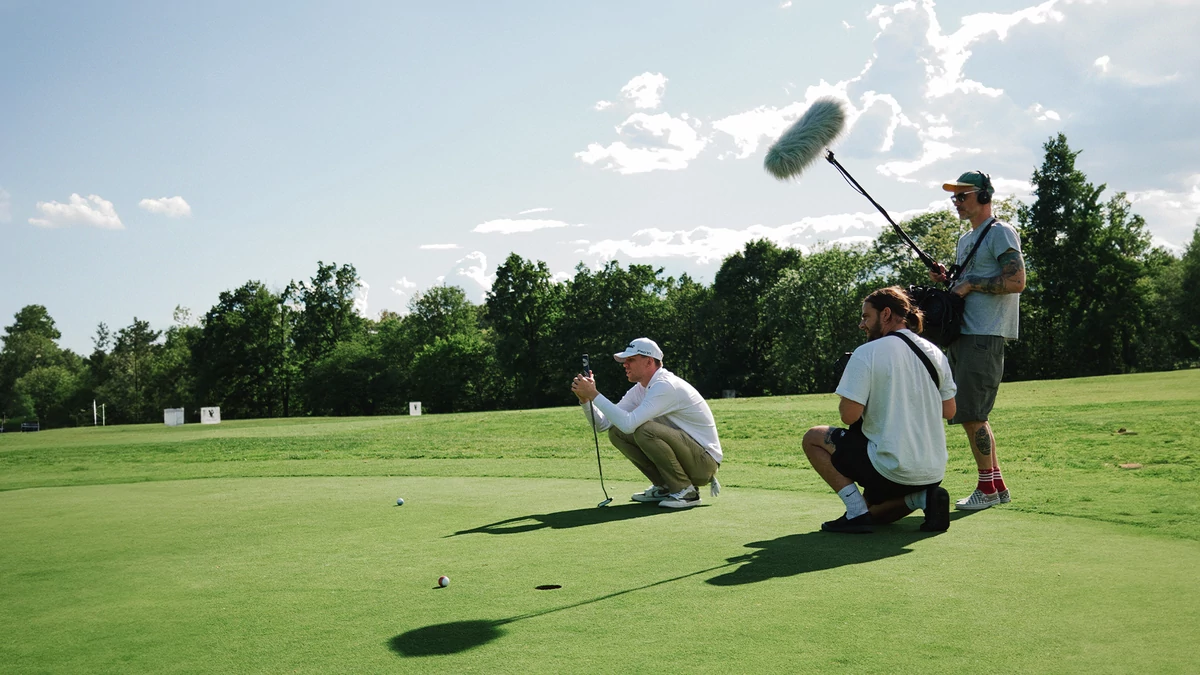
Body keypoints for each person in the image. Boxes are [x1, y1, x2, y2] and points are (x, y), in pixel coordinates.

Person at [802, 287, 957, 533]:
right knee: (875, 513)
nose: (861, 324)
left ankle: (855, 513)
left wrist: (854, 385)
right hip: (932, 472)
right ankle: (923, 498)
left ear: (886, 314)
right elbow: (949, 411)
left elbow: (848, 415)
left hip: (890, 472)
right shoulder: (935, 353)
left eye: (866, 317)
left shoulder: (866, 353)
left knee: (813, 437)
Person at [934, 171, 1026, 511]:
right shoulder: (966, 240)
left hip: (984, 336)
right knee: (972, 415)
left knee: (973, 414)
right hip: (963, 333)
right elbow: (964, 284)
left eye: (963, 196)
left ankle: (986, 490)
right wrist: (950, 278)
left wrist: (970, 282)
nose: (957, 202)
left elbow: (1016, 280)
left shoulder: (1000, 233)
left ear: (984, 196)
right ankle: (996, 486)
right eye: (954, 197)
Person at [571, 338, 721, 509]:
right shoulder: (640, 389)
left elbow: (629, 424)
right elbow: (603, 425)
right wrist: (586, 401)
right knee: (616, 433)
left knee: (644, 430)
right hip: (690, 457)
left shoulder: (665, 385)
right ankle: (665, 486)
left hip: (703, 464)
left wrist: (594, 394)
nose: (625, 365)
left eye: (631, 360)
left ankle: (686, 492)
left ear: (649, 361)